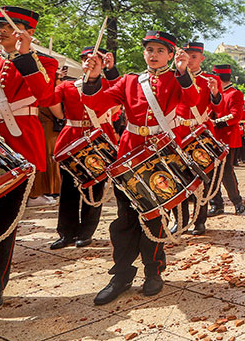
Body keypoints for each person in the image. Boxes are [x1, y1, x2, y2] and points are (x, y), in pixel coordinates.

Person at [81, 30, 198, 305]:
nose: (154, 55)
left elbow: (192, 103)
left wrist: (183, 73)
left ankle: (153, 271)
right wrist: (94, 76)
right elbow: (95, 103)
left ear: (170, 55)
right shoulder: (130, 80)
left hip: (161, 158)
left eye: (160, 50)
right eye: (149, 50)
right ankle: (120, 274)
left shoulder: (176, 80)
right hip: (129, 154)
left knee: (154, 217)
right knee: (124, 219)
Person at [0, 10, 58, 314]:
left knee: (2, 222)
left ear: (26, 32)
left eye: (8, 27)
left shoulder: (43, 63)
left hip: (15, 153)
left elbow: (44, 97)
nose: (1, 31)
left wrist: (25, 54)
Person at [49, 46, 120, 250]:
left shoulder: (107, 84)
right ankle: (66, 233)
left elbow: (119, 95)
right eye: (85, 59)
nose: (89, 63)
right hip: (72, 138)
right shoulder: (67, 86)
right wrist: (53, 79)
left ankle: (86, 232)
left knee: (95, 187)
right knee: (68, 189)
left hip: (99, 136)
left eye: (94, 59)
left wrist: (111, 68)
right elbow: (50, 102)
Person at [171, 42, 226, 234]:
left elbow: (220, 110)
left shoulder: (210, 79)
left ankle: (200, 220)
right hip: (177, 132)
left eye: (194, 56)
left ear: (202, 58)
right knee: (179, 178)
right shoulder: (174, 77)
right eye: (187, 56)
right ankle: (180, 219)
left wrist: (215, 94)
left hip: (199, 132)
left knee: (202, 179)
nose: (189, 60)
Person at [211, 64, 245, 225]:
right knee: (211, 173)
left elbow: (236, 116)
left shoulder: (235, 93)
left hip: (227, 138)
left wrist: (217, 122)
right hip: (212, 138)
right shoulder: (214, 93)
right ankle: (216, 204)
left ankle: (237, 201)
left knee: (226, 172)